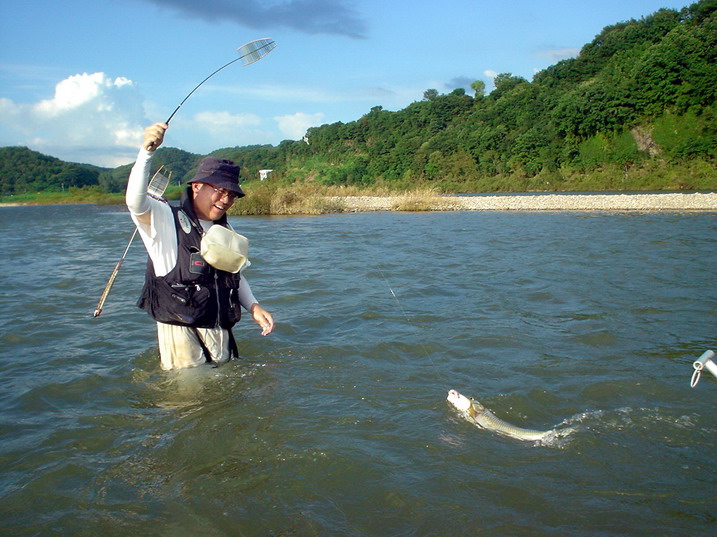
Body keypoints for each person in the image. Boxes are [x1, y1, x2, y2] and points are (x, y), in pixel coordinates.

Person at [126, 121, 274, 370]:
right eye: (219, 190)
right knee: (189, 403)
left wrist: (253, 306)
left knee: (223, 399)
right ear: (197, 186)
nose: (226, 200)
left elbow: (234, 275)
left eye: (232, 194)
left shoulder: (225, 230)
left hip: (219, 329)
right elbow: (135, 203)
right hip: (181, 336)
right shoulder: (163, 219)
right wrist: (147, 152)